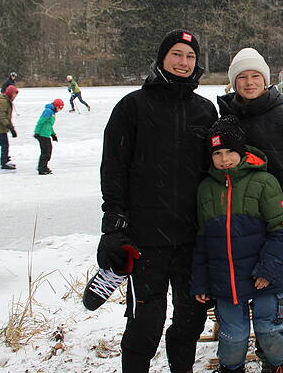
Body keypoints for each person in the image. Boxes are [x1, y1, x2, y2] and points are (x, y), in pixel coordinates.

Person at [98, 29, 217, 373]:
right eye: (177, 54)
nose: (183, 63)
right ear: (163, 58)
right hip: (146, 238)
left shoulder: (205, 110)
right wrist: (114, 225)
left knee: (191, 318)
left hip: (192, 239)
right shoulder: (133, 107)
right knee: (145, 322)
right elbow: (114, 168)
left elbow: (219, 169)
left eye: (190, 56)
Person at [217, 47, 283, 372]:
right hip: (248, 222)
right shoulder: (227, 118)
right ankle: (272, 358)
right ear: (233, 82)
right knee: (260, 290)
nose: (249, 83)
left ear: (265, 80)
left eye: (255, 77)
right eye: (242, 77)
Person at [192, 116, 283, 373]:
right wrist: (201, 281)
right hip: (225, 282)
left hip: (263, 278)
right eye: (217, 153)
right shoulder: (205, 189)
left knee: (269, 332)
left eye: (229, 152)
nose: (224, 159)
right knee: (233, 337)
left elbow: (280, 231)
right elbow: (203, 240)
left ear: (241, 152)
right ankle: (230, 369)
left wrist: (267, 268)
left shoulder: (264, 182)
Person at [0, 85, 18, 170]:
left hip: (1, 126)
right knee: (4, 145)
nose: (15, 97)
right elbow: (1, 115)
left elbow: (7, 117)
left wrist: (11, 128)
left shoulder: (7, 101)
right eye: (14, 94)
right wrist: (9, 126)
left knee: (5, 144)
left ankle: (5, 159)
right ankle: (4, 163)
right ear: (10, 93)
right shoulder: (3, 102)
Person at [33, 99, 64, 175]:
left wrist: (53, 134)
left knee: (48, 151)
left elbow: (49, 125)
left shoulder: (53, 112)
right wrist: (36, 132)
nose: (60, 110)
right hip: (41, 134)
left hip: (46, 134)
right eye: (60, 108)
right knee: (45, 152)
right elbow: (40, 122)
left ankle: (44, 167)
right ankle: (41, 168)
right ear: (56, 106)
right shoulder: (48, 111)